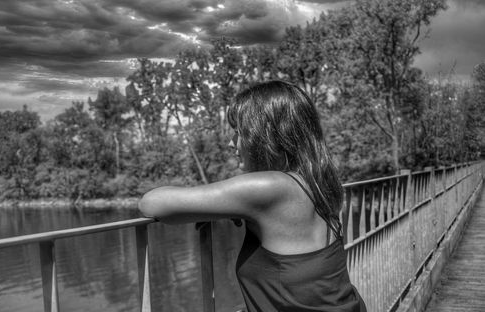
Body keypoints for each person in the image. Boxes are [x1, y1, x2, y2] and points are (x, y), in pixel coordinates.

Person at [138, 80, 367, 312]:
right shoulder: (319, 183)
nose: (231, 143)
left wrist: (228, 207)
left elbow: (152, 203)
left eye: (239, 133)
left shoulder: (270, 187)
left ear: (265, 136)